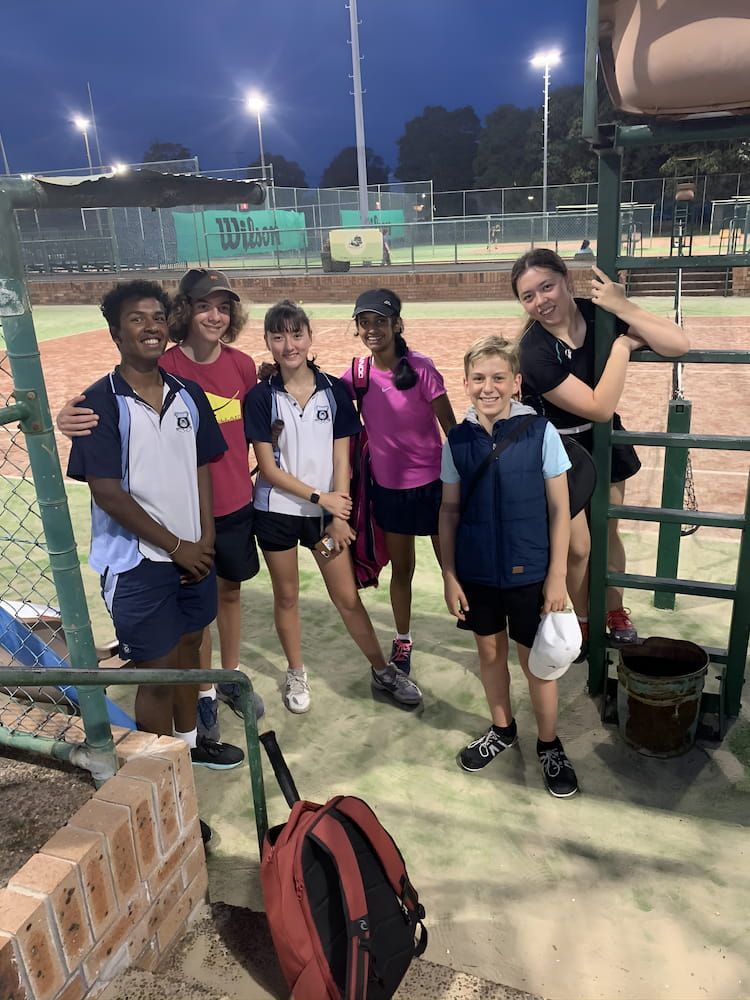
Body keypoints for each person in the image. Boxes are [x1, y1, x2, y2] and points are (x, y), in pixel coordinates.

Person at [57, 269, 265, 744]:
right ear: (116, 332)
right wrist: (178, 547)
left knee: (191, 652)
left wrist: (205, 539)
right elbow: (108, 493)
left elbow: (201, 465)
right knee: (157, 670)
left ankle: (190, 751)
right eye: (136, 319)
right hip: (139, 565)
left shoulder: (186, 394)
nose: (150, 326)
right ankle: (162, 771)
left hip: (195, 552)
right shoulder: (99, 404)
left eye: (155, 317)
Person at [244, 300, 422, 714]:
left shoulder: (335, 391)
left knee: (346, 596)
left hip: (324, 523)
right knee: (286, 596)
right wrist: (320, 498)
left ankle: (382, 670)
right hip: (276, 518)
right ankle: (296, 671)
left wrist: (337, 513)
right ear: (268, 341)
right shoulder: (259, 398)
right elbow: (268, 470)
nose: (288, 344)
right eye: (278, 335)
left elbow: (344, 459)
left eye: (296, 333)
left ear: (309, 336)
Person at [513, 249, 689, 652]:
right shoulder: (534, 349)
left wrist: (622, 305)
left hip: (604, 440)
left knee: (607, 533)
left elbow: (678, 343)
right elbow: (598, 405)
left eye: (547, 286)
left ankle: (614, 609)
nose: (541, 300)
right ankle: (581, 617)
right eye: (528, 295)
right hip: (558, 447)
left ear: (565, 280)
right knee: (578, 546)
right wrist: (624, 348)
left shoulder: (599, 314)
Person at [439, 334, 578, 798]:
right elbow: (449, 512)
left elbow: (560, 508)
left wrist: (557, 574)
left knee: (537, 664)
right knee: (490, 655)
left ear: (516, 382)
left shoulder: (540, 432)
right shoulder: (458, 440)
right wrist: (450, 574)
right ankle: (502, 728)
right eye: (478, 378)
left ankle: (549, 744)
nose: (489, 387)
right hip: (478, 573)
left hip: (531, 571)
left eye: (499, 377)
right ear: (465, 383)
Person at [340, 289, 456, 678]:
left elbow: (451, 429)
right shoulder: (357, 375)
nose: (373, 329)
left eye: (380, 321)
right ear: (357, 328)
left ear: (397, 325)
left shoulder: (421, 369)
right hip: (388, 492)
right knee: (401, 570)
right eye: (365, 322)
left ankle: (476, 622)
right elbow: (315, 390)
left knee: (452, 565)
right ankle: (403, 640)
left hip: (434, 488)